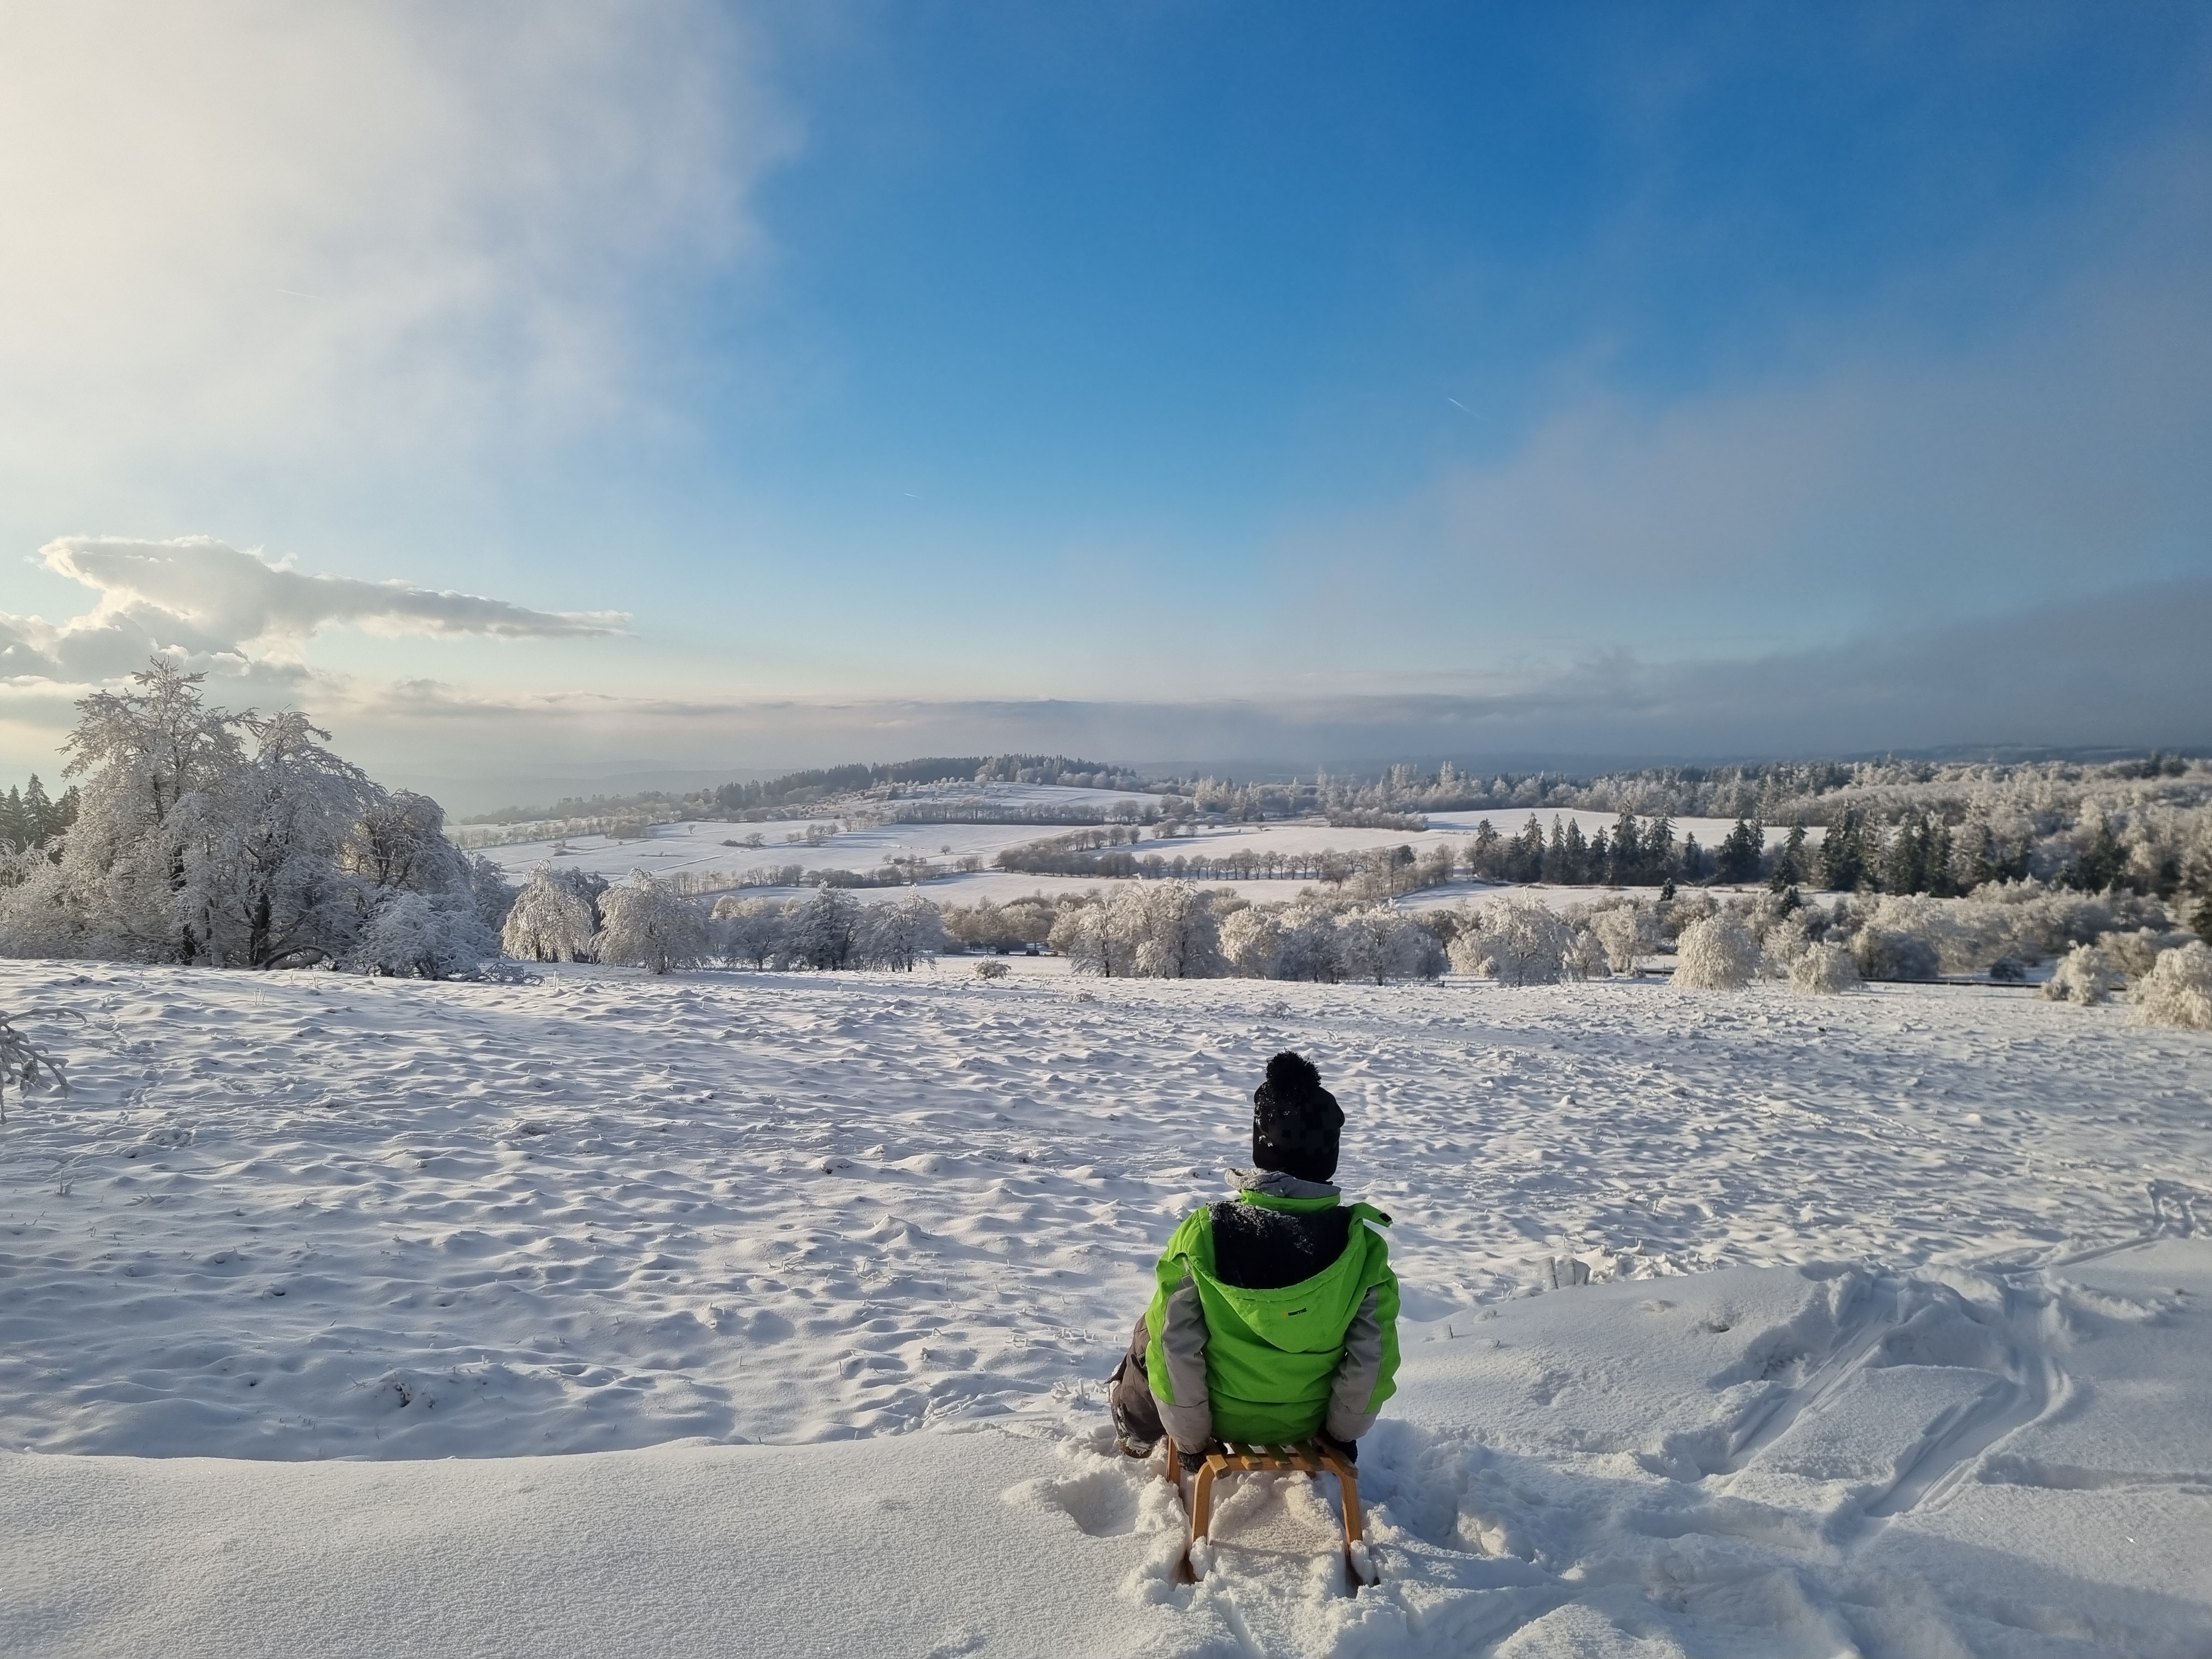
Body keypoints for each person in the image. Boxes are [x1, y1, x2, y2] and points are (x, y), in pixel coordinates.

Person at [1107, 1051, 1400, 1470]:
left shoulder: (1206, 1232)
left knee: (1151, 1329)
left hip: (1220, 1420)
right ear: (1329, 1155)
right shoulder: (1363, 1249)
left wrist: (1191, 1442)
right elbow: (1372, 1356)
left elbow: (1176, 1344)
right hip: (1308, 1422)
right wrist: (1341, 1436)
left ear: (1261, 1148)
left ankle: (1136, 1431)